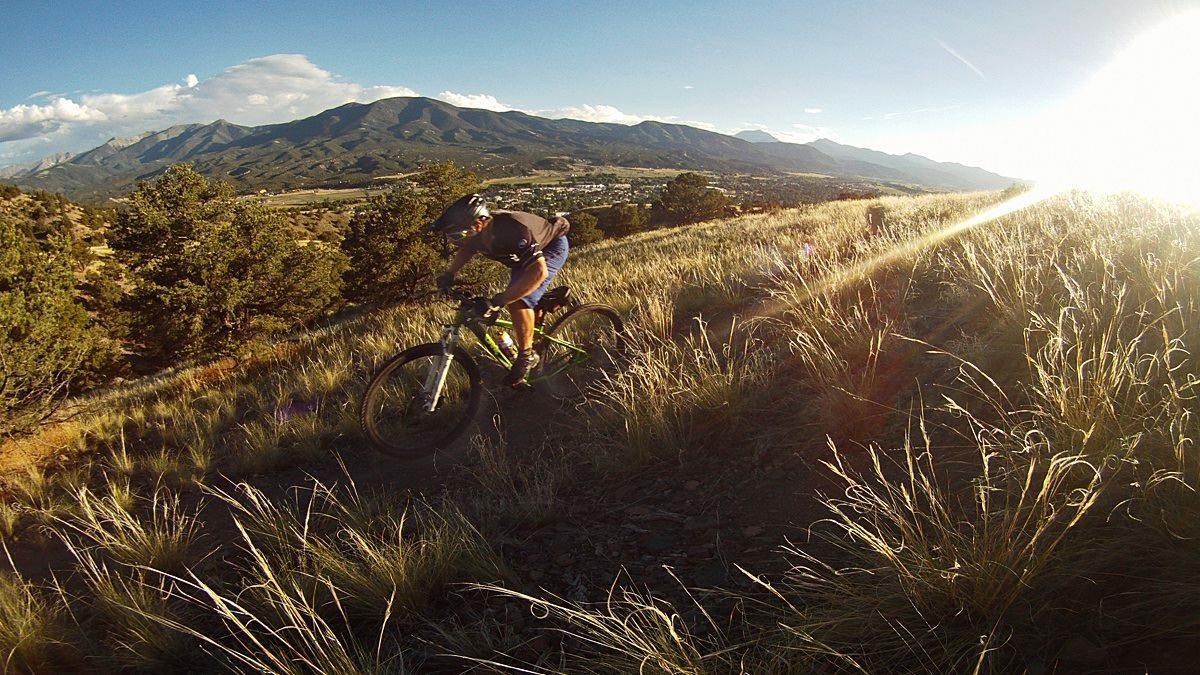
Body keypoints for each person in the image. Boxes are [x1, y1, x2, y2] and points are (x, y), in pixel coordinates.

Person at [430, 194, 571, 386]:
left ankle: (525, 358)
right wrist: (449, 274)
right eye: (452, 236)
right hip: (521, 257)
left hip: (551, 247)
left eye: (458, 235)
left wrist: (498, 302)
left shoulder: (513, 231)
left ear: (481, 222)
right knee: (519, 296)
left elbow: (539, 272)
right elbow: (467, 248)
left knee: (518, 301)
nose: (456, 241)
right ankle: (537, 309)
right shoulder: (475, 232)